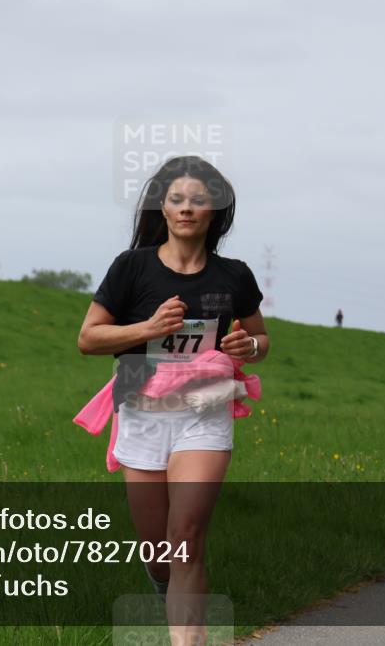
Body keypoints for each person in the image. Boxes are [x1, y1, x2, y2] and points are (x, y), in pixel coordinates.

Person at [77, 155, 268, 643]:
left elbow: (261, 341)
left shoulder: (234, 276)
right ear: (162, 208)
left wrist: (248, 346)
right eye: (177, 199)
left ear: (215, 212)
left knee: (185, 539)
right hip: (142, 410)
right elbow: (88, 338)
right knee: (159, 554)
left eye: (199, 201)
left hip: (205, 410)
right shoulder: (132, 268)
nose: (187, 209)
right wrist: (148, 328)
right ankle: (165, 590)